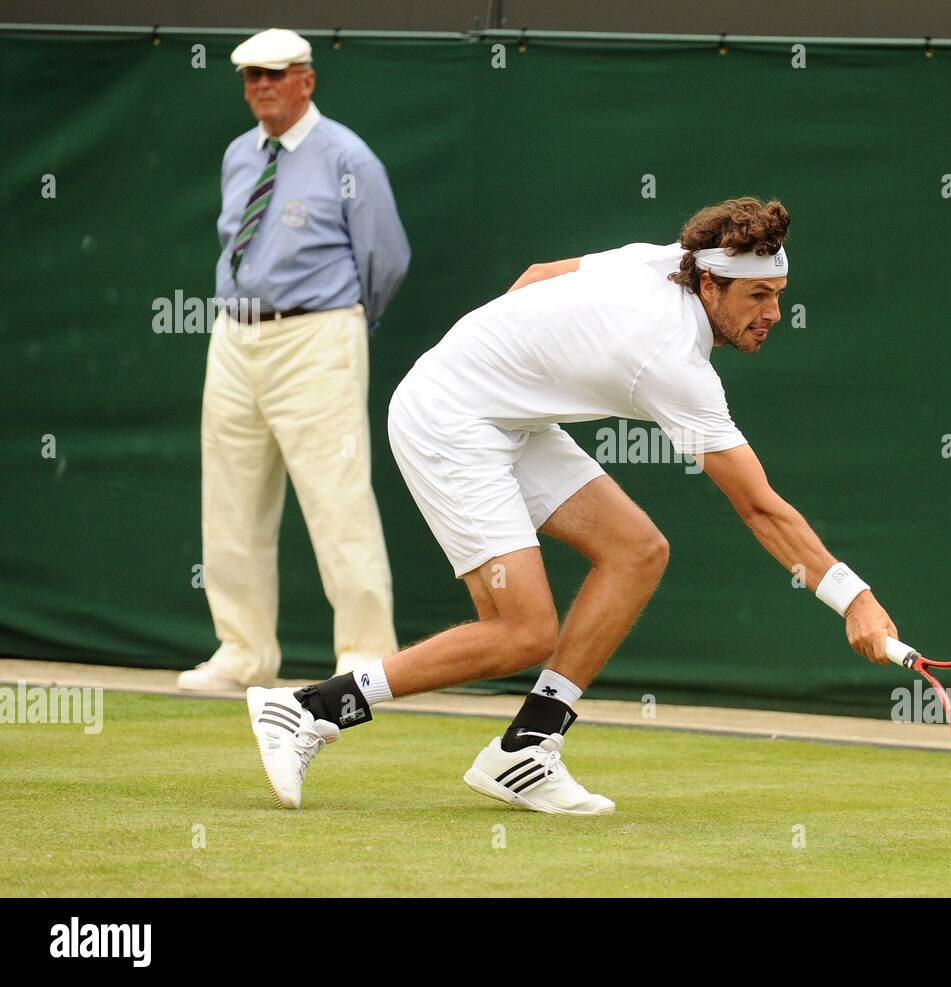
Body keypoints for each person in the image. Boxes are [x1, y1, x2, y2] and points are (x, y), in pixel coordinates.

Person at [246, 197, 897, 813]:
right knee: (521, 632)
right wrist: (853, 598)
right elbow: (759, 508)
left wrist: (508, 364)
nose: (773, 313)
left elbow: (538, 276)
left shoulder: (660, 259)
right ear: (708, 286)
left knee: (637, 550)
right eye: (758, 296)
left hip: (504, 414)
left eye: (777, 296)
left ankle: (527, 747)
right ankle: (312, 708)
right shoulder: (672, 362)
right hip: (447, 418)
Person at [180, 29, 409, 691]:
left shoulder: (349, 157)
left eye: (275, 74)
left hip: (317, 335)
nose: (262, 87)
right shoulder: (237, 155)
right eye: (252, 76)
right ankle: (243, 652)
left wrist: (340, 325)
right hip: (233, 334)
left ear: (307, 80)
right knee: (229, 499)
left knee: (337, 497)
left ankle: (365, 655)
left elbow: (386, 258)